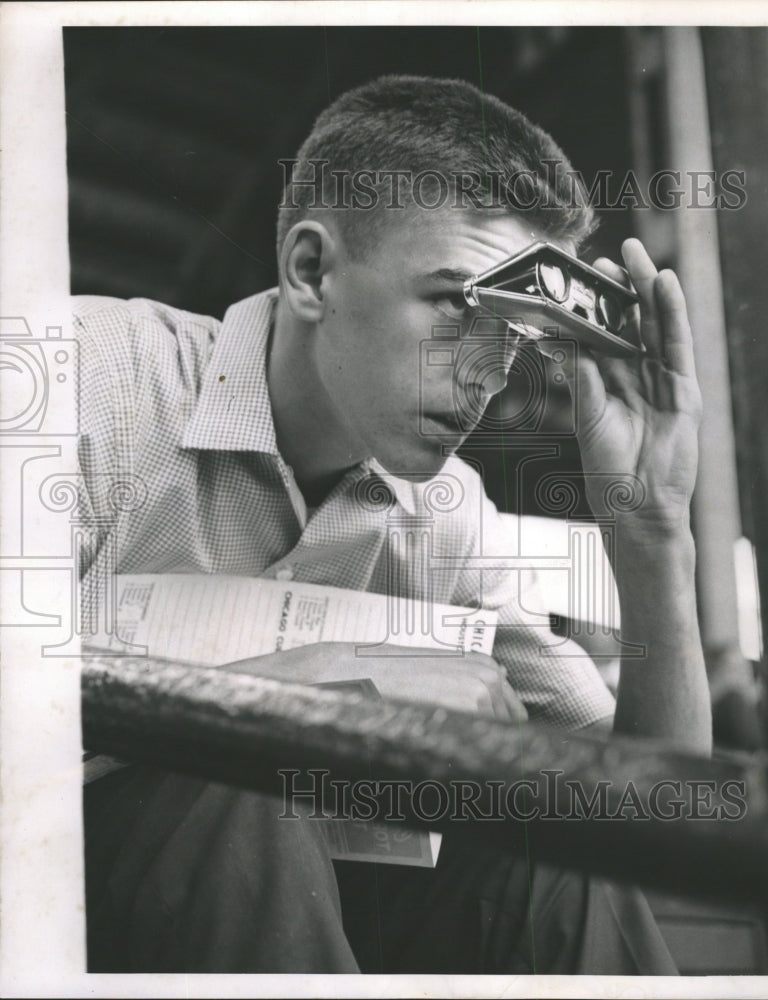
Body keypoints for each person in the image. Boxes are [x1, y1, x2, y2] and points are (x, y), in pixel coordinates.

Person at [78, 75, 711, 974]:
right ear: (311, 272)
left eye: (519, 334)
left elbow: (650, 830)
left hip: (303, 921)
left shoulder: (449, 521)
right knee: (241, 778)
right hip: (55, 916)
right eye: (458, 303)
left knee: (557, 865)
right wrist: (309, 695)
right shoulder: (89, 384)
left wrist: (651, 533)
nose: (488, 374)